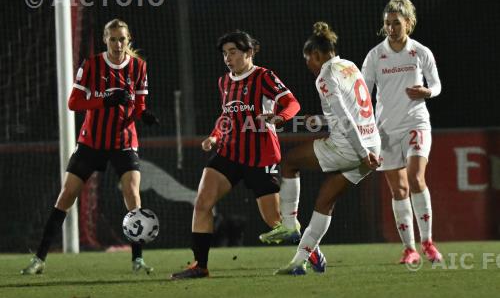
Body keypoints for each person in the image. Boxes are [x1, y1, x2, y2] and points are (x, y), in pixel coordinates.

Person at [21, 19, 160, 275]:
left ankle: (137, 260)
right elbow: (74, 103)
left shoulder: (139, 67)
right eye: (113, 39)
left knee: (132, 193)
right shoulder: (92, 65)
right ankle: (39, 259)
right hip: (91, 141)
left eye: (122, 39)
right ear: (105, 40)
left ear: (129, 40)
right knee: (66, 196)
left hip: (124, 142)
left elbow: (139, 104)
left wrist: (145, 115)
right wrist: (105, 99)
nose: (118, 44)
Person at [170, 30, 301, 280]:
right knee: (202, 202)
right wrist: (214, 136)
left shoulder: (264, 77)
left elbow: (293, 103)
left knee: (275, 221)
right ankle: (200, 266)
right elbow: (226, 117)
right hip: (228, 152)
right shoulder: (224, 82)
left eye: (233, 52)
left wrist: (280, 117)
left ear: (249, 52)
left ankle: (311, 253)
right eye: (225, 53)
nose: (228, 58)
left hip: (261, 155)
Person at [260, 21, 381, 275]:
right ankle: (298, 263)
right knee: (325, 200)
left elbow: (346, 119)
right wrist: (324, 120)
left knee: (290, 162)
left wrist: (361, 153)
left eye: (307, 60)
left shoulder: (325, 76)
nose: (308, 66)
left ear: (316, 55)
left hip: (352, 147)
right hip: (373, 144)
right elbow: (356, 109)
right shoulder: (349, 66)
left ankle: (290, 225)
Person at [361, 0, 442, 264]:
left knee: (416, 178)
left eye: (396, 23)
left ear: (408, 23)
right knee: (399, 191)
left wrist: (427, 92)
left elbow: (437, 85)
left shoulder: (421, 52)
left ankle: (428, 242)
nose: (391, 28)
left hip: (415, 122)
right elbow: (363, 95)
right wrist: (367, 130)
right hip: (385, 130)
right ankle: (410, 249)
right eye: (387, 23)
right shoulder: (375, 55)